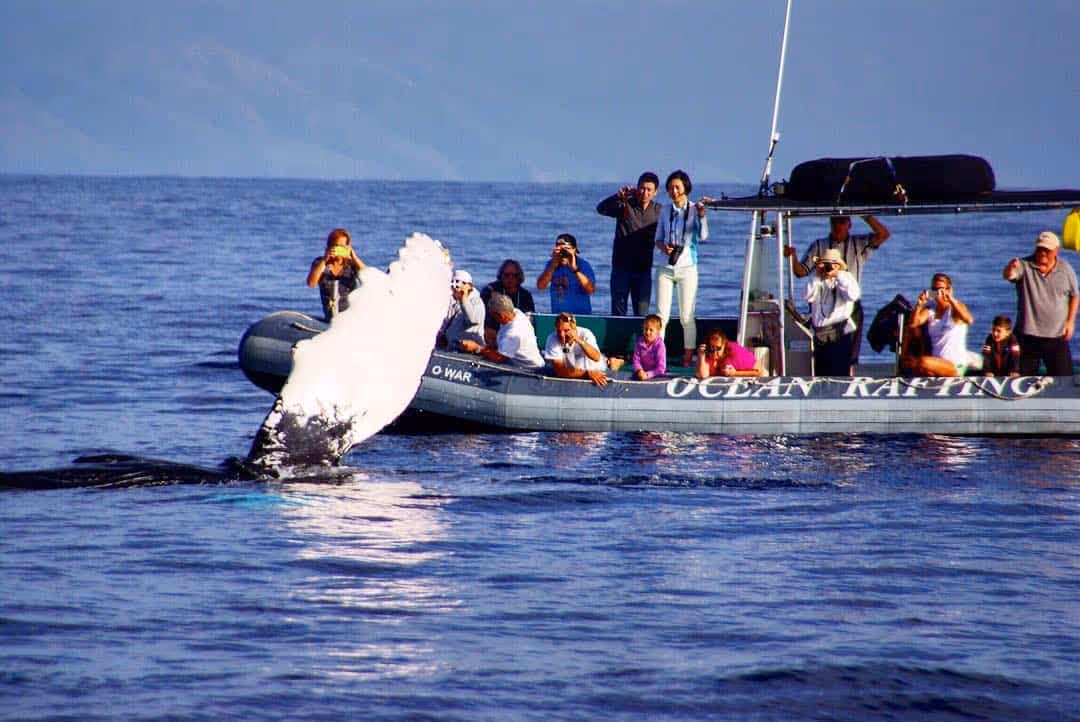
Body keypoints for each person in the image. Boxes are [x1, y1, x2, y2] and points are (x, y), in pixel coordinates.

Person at [784, 214, 890, 368]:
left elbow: (883, 234)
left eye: (842, 222)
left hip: (849, 305)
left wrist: (865, 215)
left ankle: (848, 376)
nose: (837, 226)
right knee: (823, 354)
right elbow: (801, 272)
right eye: (834, 222)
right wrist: (793, 257)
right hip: (824, 304)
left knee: (849, 355)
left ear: (849, 224)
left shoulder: (858, 243)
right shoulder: (819, 245)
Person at [1003, 230, 1079, 376]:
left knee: (1064, 378)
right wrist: (1009, 268)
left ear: (1056, 251)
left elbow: (1075, 295)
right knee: (1021, 379)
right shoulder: (1024, 265)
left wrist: (1070, 322)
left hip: (1056, 336)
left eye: (1047, 250)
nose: (1042, 253)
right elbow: (1009, 275)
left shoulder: (1066, 269)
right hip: (1027, 335)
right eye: (1039, 249)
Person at [654, 170, 708, 366]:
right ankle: (659, 355)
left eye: (677, 187)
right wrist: (664, 248)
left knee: (686, 316)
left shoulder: (694, 209)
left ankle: (688, 355)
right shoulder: (665, 210)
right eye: (670, 188)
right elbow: (658, 239)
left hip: (687, 268)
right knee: (661, 316)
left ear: (686, 188)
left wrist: (702, 216)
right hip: (665, 267)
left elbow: (703, 236)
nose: (673, 191)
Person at [596, 172, 661, 316]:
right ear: (637, 188)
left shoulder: (659, 211)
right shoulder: (625, 205)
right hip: (621, 269)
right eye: (642, 188)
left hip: (643, 270)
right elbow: (601, 209)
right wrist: (617, 196)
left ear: (655, 192)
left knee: (642, 314)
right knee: (618, 313)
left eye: (649, 190)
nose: (645, 193)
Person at [905, 273, 975, 377]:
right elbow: (913, 324)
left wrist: (951, 300)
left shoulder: (955, 308)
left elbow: (969, 320)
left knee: (923, 362)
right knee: (912, 364)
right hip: (937, 364)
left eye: (941, 289)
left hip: (956, 365)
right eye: (934, 290)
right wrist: (919, 305)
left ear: (949, 289)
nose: (937, 293)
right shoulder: (930, 310)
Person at [804, 248, 861, 376]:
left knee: (839, 373)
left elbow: (853, 295)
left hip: (839, 334)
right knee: (820, 373)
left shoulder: (846, 278)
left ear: (838, 265)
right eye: (824, 264)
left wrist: (838, 275)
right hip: (819, 335)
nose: (827, 268)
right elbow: (807, 296)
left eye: (830, 264)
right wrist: (817, 276)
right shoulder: (817, 280)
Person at [459, 294, 544, 369]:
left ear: (501, 316)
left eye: (494, 316)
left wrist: (477, 348)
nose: (493, 319)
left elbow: (499, 358)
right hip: (517, 357)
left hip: (528, 367)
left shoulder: (513, 333)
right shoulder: (516, 312)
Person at [306, 228, 366, 320]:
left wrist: (354, 257)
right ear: (329, 246)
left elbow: (369, 277)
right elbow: (311, 283)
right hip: (331, 317)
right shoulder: (320, 263)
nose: (339, 250)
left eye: (342, 247)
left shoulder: (351, 264)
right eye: (336, 246)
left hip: (351, 316)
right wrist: (325, 260)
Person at [542, 312, 608, 387]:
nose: (562, 335)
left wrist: (578, 340)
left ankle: (610, 361)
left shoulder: (586, 334)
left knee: (606, 363)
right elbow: (560, 371)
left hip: (593, 365)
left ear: (574, 329)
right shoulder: (552, 338)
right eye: (559, 331)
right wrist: (587, 373)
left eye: (566, 330)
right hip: (578, 368)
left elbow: (596, 357)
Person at [536, 233, 596, 314]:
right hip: (559, 315)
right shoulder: (551, 264)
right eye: (560, 250)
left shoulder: (583, 265)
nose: (563, 254)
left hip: (580, 314)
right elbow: (540, 286)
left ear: (574, 250)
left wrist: (575, 270)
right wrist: (553, 266)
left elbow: (591, 290)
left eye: (566, 249)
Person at [480, 259, 536, 345]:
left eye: (515, 275)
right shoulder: (490, 291)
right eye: (507, 275)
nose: (510, 278)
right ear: (501, 275)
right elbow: (482, 314)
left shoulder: (525, 295)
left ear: (519, 277)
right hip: (493, 332)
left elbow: (531, 319)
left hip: (516, 333)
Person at [437, 270, 485, 351]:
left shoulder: (476, 302)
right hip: (450, 347)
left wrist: (464, 300)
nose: (456, 288)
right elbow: (446, 320)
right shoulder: (453, 299)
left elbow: (473, 320)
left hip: (467, 350)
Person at [695, 328, 763, 379]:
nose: (715, 352)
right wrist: (701, 356)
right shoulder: (707, 352)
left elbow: (760, 372)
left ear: (724, 345)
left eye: (718, 348)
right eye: (712, 348)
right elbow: (703, 375)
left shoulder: (735, 352)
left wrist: (735, 373)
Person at [631, 314, 667, 380]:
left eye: (651, 330)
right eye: (646, 329)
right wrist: (639, 370)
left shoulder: (660, 345)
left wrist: (648, 375)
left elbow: (661, 368)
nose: (647, 332)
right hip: (641, 372)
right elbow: (636, 360)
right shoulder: (639, 342)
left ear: (658, 331)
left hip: (656, 375)